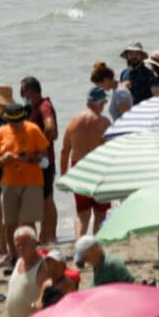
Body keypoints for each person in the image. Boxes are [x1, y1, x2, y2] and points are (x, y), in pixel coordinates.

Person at [0, 95, 50, 236]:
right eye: (13, 122)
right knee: (10, 223)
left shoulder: (33, 130)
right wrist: (4, 159)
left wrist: (30, 158)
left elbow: (45, 158)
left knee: (28, 222)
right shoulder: (1, 132)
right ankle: (13, 255)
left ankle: (31, 252)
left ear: (24, 118)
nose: (17, 124)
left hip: (32, 182)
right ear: (8, 120)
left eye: (19, 121)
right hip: (9, 183)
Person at [60, 88, 113, 236]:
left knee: (82, 213)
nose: (104, 106)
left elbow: (65, 151)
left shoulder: (73, 121)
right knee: (100, 213)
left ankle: (80, 244)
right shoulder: (104, 122)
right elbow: (111, 150)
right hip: (98, 167)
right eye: (104, 102)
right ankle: (95, 245)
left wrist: (64, 176)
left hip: (79, 168)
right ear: (100, 103)